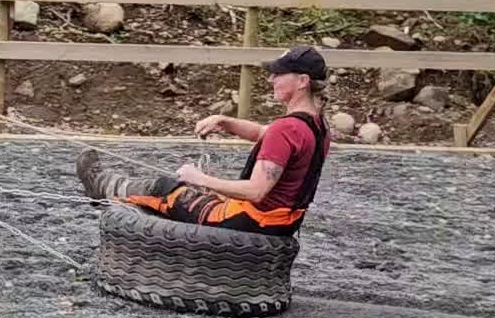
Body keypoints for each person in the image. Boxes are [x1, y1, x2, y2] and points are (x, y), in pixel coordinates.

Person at [77, 45, 332, 236]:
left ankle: (101, 187)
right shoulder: (316, 125)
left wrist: (199, 178)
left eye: (279, 73)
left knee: (165, 190)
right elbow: (262, 133)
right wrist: (224, 121)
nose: (270, 79)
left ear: (302, 81)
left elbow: (256, 191)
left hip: (252, 220)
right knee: (193, 189)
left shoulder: (286, 129)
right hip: (282, 222)